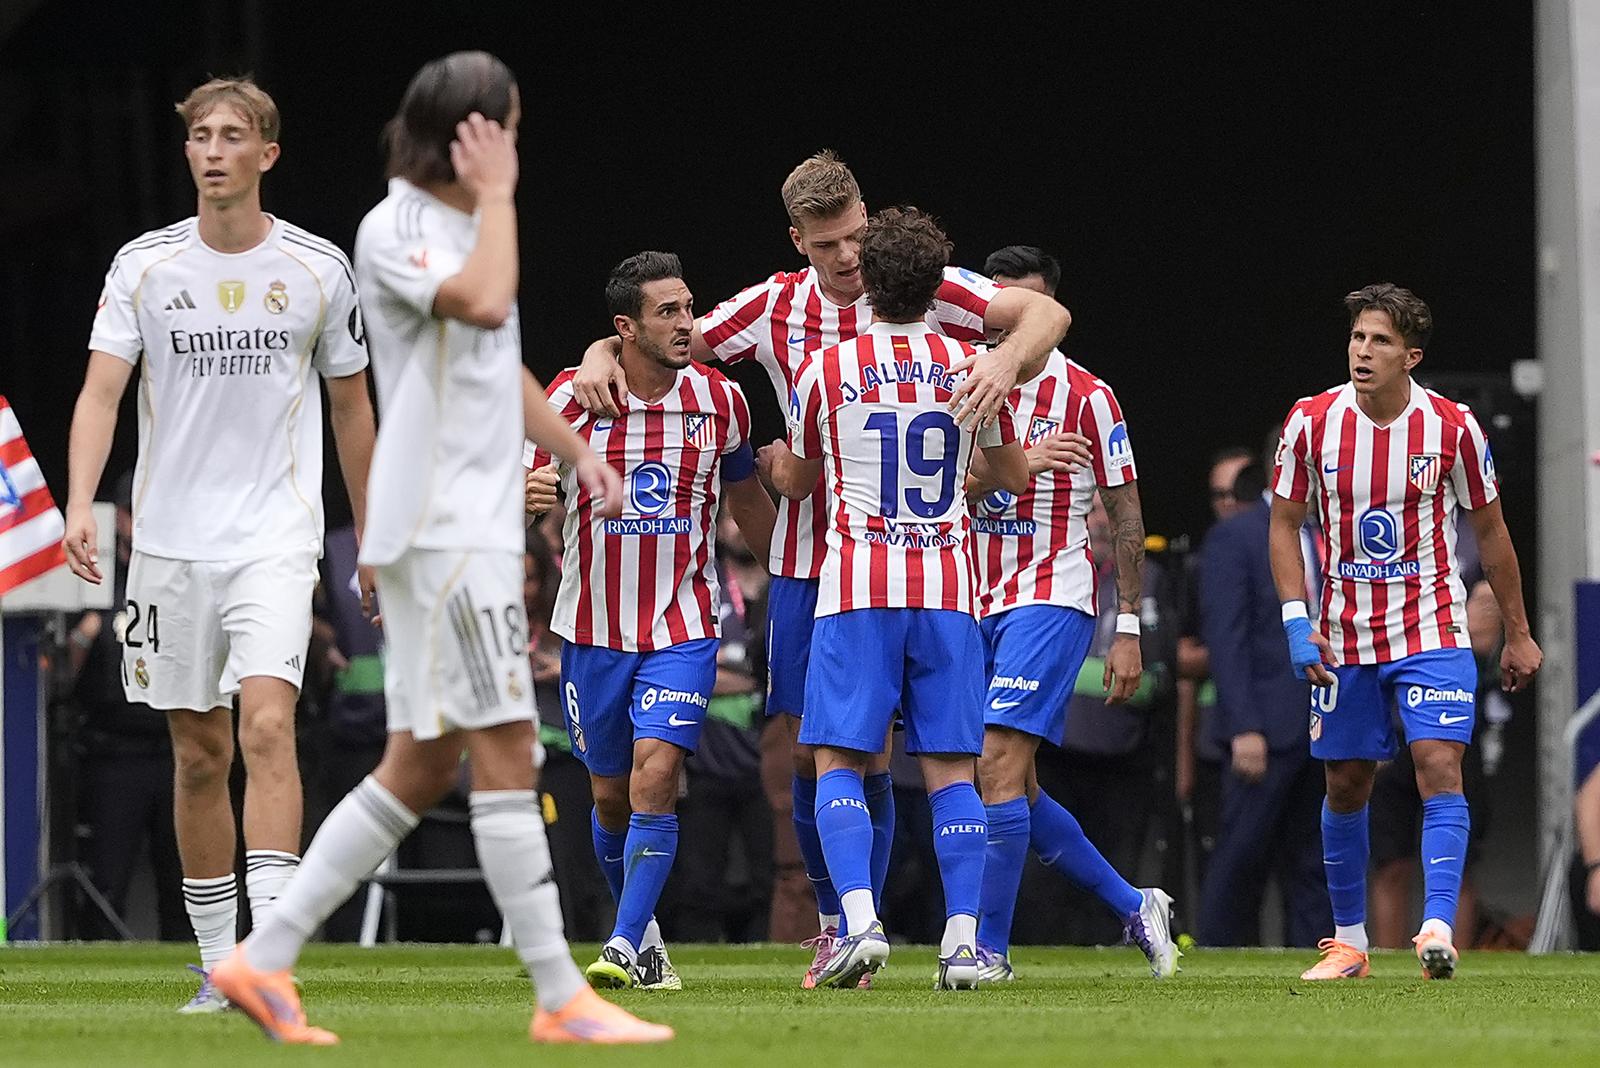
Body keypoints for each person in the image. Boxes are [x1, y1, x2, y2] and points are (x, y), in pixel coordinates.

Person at [207, 51, 669, 1046]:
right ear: (470, 131)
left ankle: (262, 959)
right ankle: (560, 996)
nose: (512, 146)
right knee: (506, 744)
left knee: (420, 764)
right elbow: (484, 305)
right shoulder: (399, 227)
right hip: (445, 531)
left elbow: (494, 369)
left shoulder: (457, 225)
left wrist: (576, 450)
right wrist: (500, 199)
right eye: (503, 127)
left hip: (458, 525)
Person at [565, 152, 1069, 985]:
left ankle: (854, 921)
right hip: (821, 569)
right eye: (829, 243)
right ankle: (857, 925)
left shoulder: (927, 296)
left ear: (871, 223)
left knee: (860, 755)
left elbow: (1044, 317)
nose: (848, 257)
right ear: (798, 241)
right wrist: (597, 353)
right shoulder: (770, 307)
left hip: (865, 574)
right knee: (815, 753)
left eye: (858, 237)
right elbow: (668, 341)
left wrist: (1004, 360)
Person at [63, 77, 377, 1011]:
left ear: (266, 154)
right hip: (167, 545)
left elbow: (353, 407)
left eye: (231, 135)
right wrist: (82, 501)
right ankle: (215, 961)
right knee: (200, 753)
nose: (211, 149)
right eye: (199, 134)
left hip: (277, 537)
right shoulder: (145, 267)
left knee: (269, 725)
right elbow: (99, 394)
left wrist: (369, 543)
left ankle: (268, 958)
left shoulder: (318, 268)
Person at [761, 206, 1029, 989]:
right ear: (936, 283)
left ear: (868, 282)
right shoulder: (970, 366)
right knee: (952, 770)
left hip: (856, 590)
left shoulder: (826, 370)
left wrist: (777, 466)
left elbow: (802, 481)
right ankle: (961, 942)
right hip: (948, 589)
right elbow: (1012, 477)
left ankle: (860, 923)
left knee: (839, 758)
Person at [1271, 283, 1542, 981]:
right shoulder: (1312, 421)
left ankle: (1437, 928)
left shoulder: (1453, 428)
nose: (1363, 351)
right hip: (1344, 633)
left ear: (1411, 356)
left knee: (1439, 767)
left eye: (1381, 341)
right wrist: (1297, 624)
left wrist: (1516, 632)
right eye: (1359, 337)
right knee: (1347, 784)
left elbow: (1492, 532)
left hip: (1432, 625)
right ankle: (1351, 943)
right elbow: (1283, 523)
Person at [526, 251, 776, 991]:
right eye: (668, 312)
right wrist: (529, 488)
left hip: (683, 625)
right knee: (608, 795)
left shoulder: (721, 400)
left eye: (689, 308)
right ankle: (649, 938)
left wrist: (799, 573)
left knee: (657, 773)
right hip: (593, 629)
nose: (686, 324)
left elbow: (747, 500)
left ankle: (626, 940)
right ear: (624, 328)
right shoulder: (575, 394)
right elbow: (522, 476)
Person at [961, 245, 1177, 980]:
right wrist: (1007, 467)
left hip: (1050, 595)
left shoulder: (1088, 395)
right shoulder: (960, 379)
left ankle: (986, 952)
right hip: (965, 598)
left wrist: (1126, 627)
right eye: (1001, 312)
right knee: (1005, 783)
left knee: (996, 763)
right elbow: (933, 489)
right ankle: (1132, 903)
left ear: (1049, 315)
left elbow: (1125, 514)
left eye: (1027, 313)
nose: (1010, 330)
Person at [1196, 431, 1331, 948]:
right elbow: (1226, 640)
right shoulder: (1239, 533)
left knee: (1315, 861)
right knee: (1241, 854)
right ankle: (1215, 956)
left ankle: (1322, 960)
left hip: (1322, 722)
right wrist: (1244, 727)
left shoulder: (1331, 534)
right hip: (1264, 728)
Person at [66, 471, 186, 940]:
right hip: (114, 754)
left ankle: (194, 972)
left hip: (178, 748)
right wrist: (84, 633)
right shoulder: (93, 577)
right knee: (106, 880)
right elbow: (54, 674)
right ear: (120, 519)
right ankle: (101, 974)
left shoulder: (181, 575)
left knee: (184, 882)